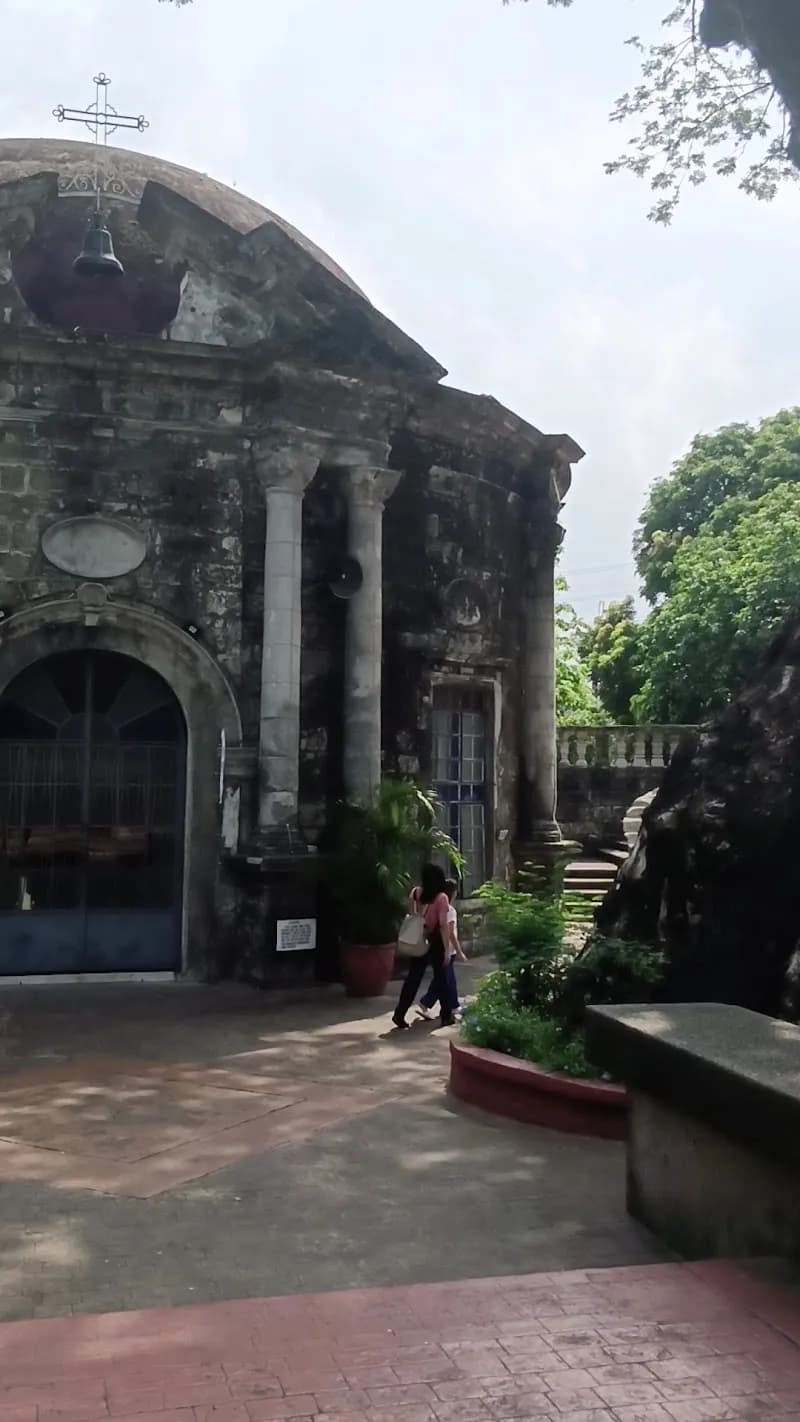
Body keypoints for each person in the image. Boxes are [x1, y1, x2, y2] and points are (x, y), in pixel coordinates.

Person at [391, 863, 455, 1029]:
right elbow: (442, 925)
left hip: (419, 938)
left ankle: (399, 1013)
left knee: (413, 978)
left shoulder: (417, 892)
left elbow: (411, 913)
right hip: (434, 940)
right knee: (441, 978)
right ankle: (446, 1015)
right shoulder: (441, 898)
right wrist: (447, 949)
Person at [417, 878, 466, 1019]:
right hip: (446, 949)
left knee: (448, 979)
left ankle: (453, 1005)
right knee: (443, 980)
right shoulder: (449, 910)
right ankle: (428, 1002)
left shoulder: (434, 906)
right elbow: (450, 933)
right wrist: (459, 952)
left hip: (439, 948)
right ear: (454, 893)